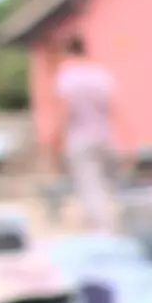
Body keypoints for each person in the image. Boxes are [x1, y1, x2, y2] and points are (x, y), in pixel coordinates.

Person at [51, 35, 117, 232]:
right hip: (104, 135)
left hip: (80, 138)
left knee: (88, 184)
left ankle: (101, 228)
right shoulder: (100, 74)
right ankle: (106, 224)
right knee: (105, 183)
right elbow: (113, 108)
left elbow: (65, 110)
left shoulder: (67, 75)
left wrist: (57, 136)